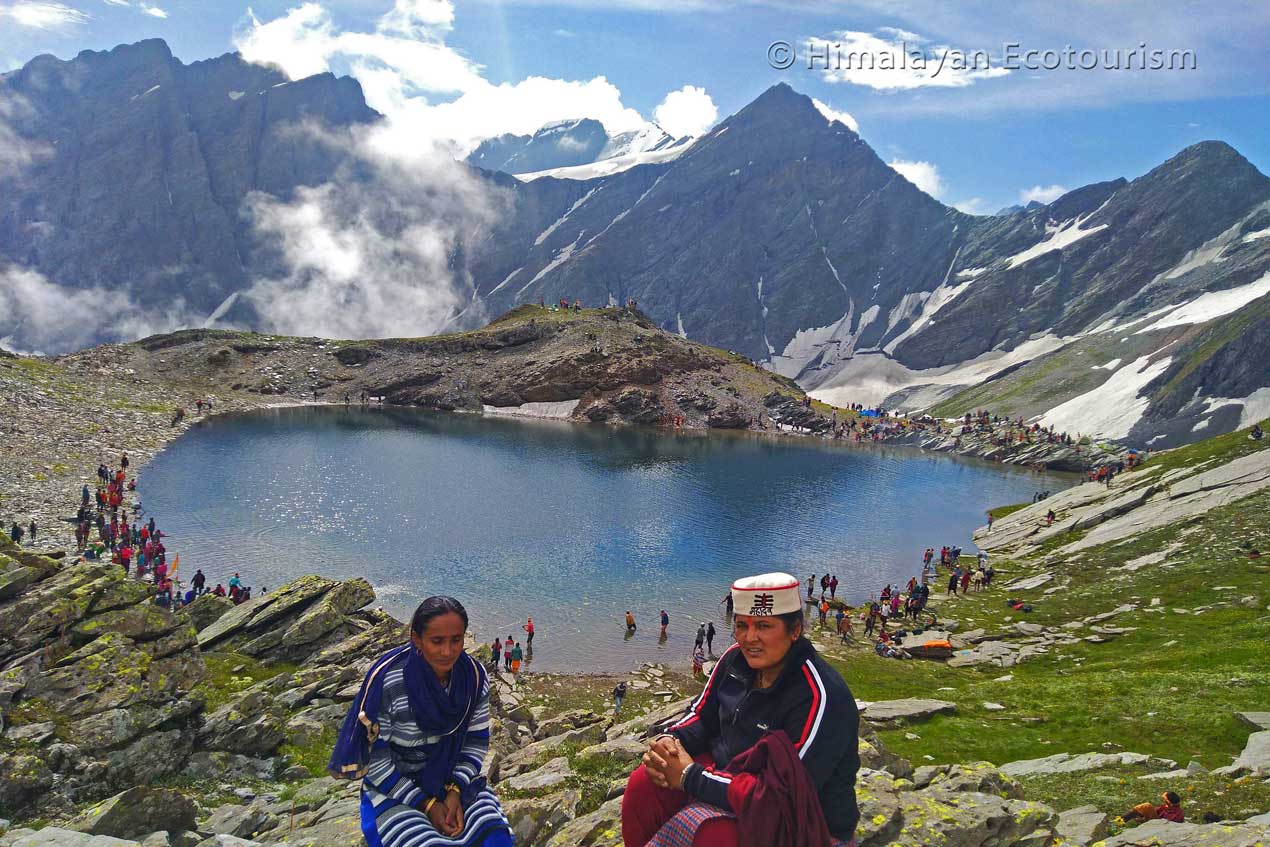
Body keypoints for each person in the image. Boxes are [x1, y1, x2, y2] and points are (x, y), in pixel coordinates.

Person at [621, 572, 860, 847]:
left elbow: (781, 797)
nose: (749, 638)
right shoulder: (735, 659)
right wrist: (670, 741)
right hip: (729, 775)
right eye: (742, 625)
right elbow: (702, 714)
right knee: (644, 785)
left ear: (795, 630)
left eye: (764, 626)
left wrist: (690, 777)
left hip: (800, 814)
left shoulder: (819, 696)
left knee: (711, 837)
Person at [329, 596, 513, 847]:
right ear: (417, 639)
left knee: (493, 835)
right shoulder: (389, 683)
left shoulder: (474, 678)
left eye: (455, 640)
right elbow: (377, 761)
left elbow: (474, 743)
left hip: (451, 779)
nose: (447, 651)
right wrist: (426, 804)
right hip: (394, 785)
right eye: (437, 641)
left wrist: (454, 792)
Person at [1120, 791, 1184, 824]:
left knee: (1147, 805)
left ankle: (1120, 821)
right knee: (1142, 809)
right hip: (1157, 821)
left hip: (1161, 825)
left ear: (1168, 801)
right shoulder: (1165, 807)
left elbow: (1170, 822)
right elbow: (1155, 811)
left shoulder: (1177, 812)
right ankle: (1120, 820)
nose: (1163, 800)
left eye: (1165, 799)